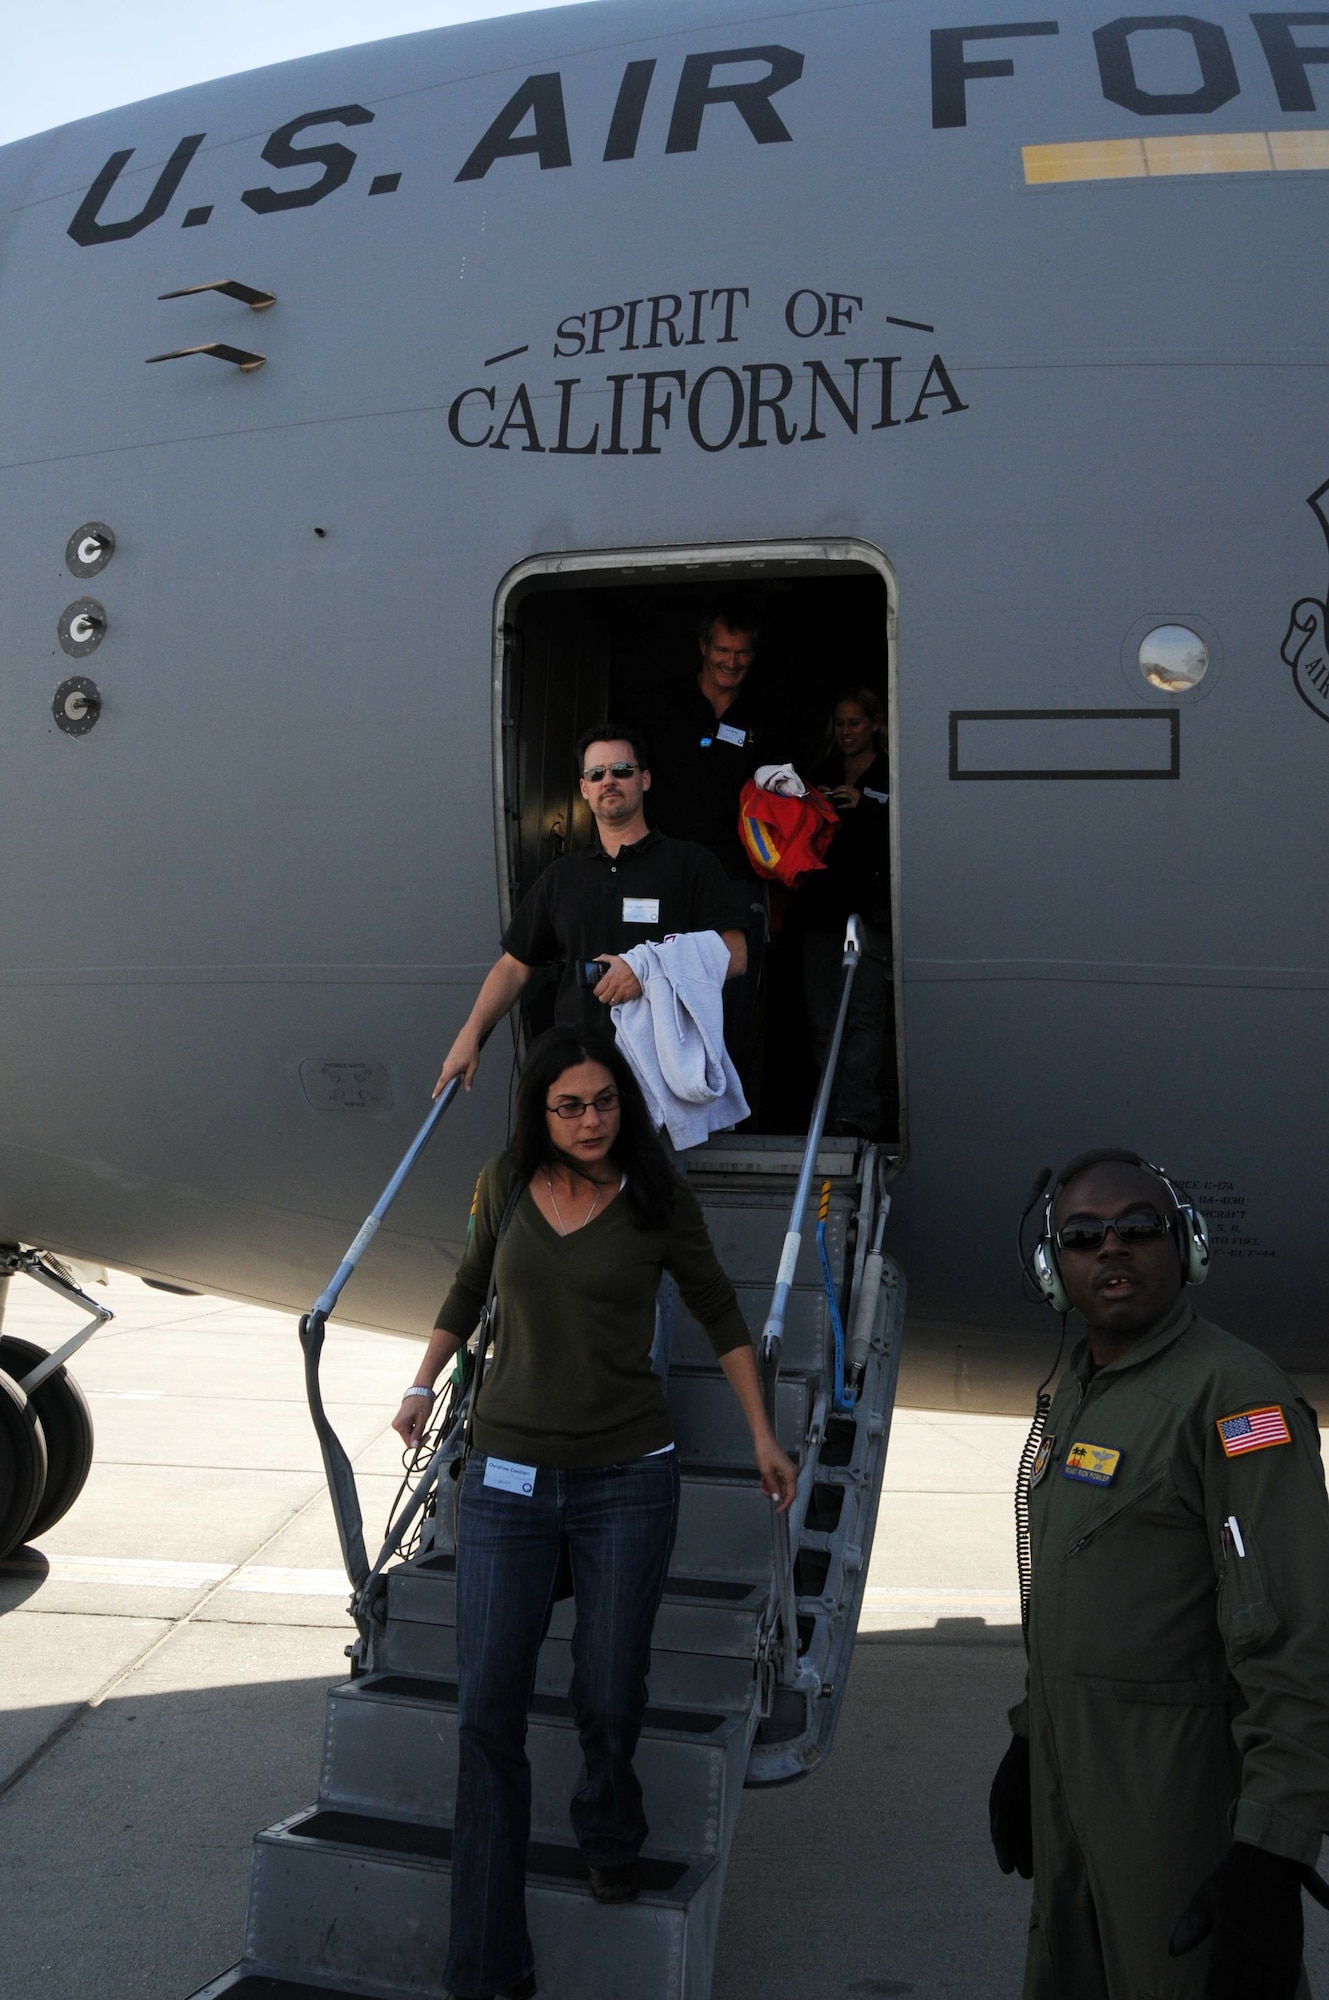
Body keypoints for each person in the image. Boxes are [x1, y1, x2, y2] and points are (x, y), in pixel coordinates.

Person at [393, 1027, 797, 2000]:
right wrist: (422, 1380)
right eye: (568, 1104)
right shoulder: (504, 1181)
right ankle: (487, 1962)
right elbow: (468, 1281)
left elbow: (719, 1314)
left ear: (627, 1105)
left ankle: (608, 1825)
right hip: (505, 1480)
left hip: (627, 1478)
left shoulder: (655, 1196)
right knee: (488, 1703)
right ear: (540, 1110)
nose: (587, 1119)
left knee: (608, 1688)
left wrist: (760, 1433)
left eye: (603, 1101)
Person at [989, 1149, 1329, 2000]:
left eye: (1139, 1228)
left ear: (1186, 1247)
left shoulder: (1237, 1402)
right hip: (1075, 1794)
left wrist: (1270, 1852)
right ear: (1051, 1267)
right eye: (1083, 1236)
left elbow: (1294, 1640)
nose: (1112, 1249)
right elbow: (1083, 1585)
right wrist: (1032, 1734)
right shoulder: (1082, 1385)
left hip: (1177, 1811)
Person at [433, 725, 749, 1098]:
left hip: (663, 1075)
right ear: (584, 789)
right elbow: (514, 966)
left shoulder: (690, 864)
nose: (608, 781)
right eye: (596, 774)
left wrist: (647, 970)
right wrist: (469, 1034)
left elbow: (736, 955)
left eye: (622, 770)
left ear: (644, 779)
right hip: (582, 1078)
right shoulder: (562, 877)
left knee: (654, 1159)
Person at [629, 596, 781, 1064]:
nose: (731, 662)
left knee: (732, 995)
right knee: (658, 988)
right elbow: (627, 776)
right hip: (665, 870)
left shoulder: (766, 713)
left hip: (735, 875)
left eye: (741, 653)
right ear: (702, 647)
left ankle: (723, 1108)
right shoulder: (661, 703)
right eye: (722, 650)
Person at [797, 688, 894, 1138]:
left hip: (870, 914)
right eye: (840, 723)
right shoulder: (819, 772)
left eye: (855, 723)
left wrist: (868, 804)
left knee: (864, 1017)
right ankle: (828, 1113)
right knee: (823, 1021)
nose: (846, 732)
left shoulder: (893, 773)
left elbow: (915, 825)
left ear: (875, 724)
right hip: (820, 911)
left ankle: (858, 1115)